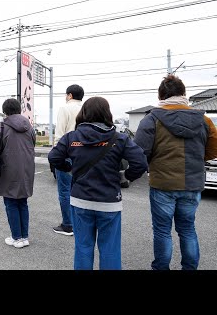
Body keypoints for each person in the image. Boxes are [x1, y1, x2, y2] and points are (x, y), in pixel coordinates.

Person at [48, 97, 147, 270]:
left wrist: (68, 168)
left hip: (80, 201)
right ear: (106, 113)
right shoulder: (119, 138)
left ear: (83, 113)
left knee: (83, 248)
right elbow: (141, 163)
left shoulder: (72, 137)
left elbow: (53, 157)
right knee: (110, 250)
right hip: (109, 203)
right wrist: (124, 177)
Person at [134, 74, 217, 270]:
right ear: (184, 94)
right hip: (192, 183)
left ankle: (161, 267)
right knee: (187, 229)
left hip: (162, 184)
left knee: (162, 231)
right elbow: (214, 149)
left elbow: (140, 152)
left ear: (161, 96)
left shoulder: (151, 119)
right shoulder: (204, 120)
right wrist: (196, 159)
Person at [0, 98, 36, 248]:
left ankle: (16, 237)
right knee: (22, 202)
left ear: (5, 111)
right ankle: (24, 237)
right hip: (27, 168)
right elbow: (32, 143)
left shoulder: (2, 126)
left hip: (9, 168)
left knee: (10, 202)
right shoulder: (29, 126)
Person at [52, 84, 84, 236]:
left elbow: (60, 134)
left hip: (67, 153)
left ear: (70, 95)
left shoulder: (65, 109)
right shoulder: (86, 109)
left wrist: (57, 155)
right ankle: (80, 223)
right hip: (84, 155)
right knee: (79, 190)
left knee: (65, 191)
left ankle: (68, 225)